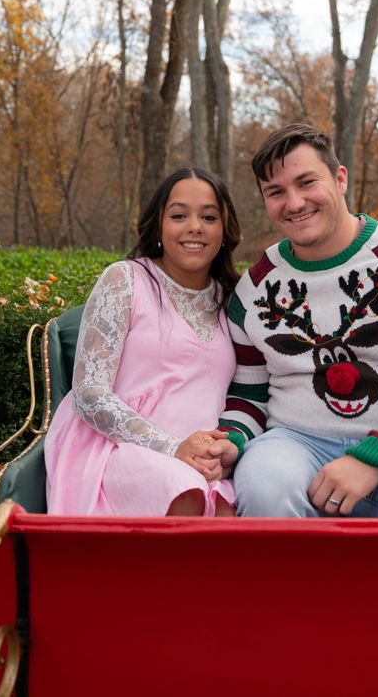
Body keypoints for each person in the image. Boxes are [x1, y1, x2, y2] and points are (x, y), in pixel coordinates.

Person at [218, 124, 378, 518]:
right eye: (276, 192)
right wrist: (232, 439)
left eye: (307, 182)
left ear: (340, 179)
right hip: (293, 443)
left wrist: (374, 455)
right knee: (264, 484)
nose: (294, 203)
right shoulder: (254, 288)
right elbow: (247, 398)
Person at [45, 167, 242, 517]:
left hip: (202, 459)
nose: (194, 226)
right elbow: (89, 394)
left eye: (209, 217)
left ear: (225, 230)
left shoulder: (235, 299)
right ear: (158, 226)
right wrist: (171, 447)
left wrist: (223, 450)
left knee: (232, 507)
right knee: (183, 491)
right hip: (118, 447)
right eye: (179, 215)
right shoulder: (125, 280)